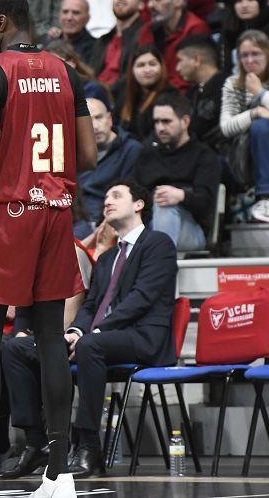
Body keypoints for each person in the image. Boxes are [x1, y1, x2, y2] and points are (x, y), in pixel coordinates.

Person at [0, 0, 96, 498]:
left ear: (2, 21)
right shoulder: (66, 72)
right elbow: (90, 154)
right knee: (51, 338)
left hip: (7, 212)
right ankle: (59, 475)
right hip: (56, 212)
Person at [64, 181, 179, 477]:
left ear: (139, 204)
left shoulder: (159, 244)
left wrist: (94, 333)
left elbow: (141, 299)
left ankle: (88, 445)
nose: (107, 202)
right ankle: (38, 444)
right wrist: (76, 331)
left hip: (143, 337)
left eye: (116, 196)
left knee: (91, 346)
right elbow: (89, 306)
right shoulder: (105, 258)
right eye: (104, 197)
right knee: (21, 349)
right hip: (101, 340)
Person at [220, 30, 269, 223]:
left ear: (268, 54)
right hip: (252, 156)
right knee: (262, 126)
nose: (250, 60)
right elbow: (226, 127)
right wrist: (255, 113)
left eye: (256, 53)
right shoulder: (233, 84)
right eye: (244, 55)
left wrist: (260, 93)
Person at [131, 95, 221, 251]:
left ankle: (160, 265)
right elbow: (135, 194)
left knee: (165, 204)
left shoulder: (204, 156)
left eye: (166, 121)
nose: (160, 128)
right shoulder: (147, 154)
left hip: (192, 230)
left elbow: (207, 202)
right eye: (156, 122)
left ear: (185, 121)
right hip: (151, 225)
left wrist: (181, 196)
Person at [76, 98, 142, 237]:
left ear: (109, 119)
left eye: (99, 117)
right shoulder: (73, 152)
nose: (94, 125)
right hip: (79, 220)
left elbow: (129, 196)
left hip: (112, 221)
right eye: (88, 120)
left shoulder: (131, 149)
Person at [138, 0, 211, 92]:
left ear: (178, 1)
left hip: (183, 95)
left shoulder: (195, 28)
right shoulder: (148, 30)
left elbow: (194, 75)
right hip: (152, 91)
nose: (150, 5)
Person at [176, 36, 227, 152]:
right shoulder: (191, 94)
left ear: (196, 60)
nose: (177, 68)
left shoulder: (229, 87)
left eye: (180, 60)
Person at [96, 0, 145, 98]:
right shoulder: (103, 40)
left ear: (141, 4)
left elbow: (132, 78)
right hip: (95, 97)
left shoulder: (144, 35)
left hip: (123, 99)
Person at [118, 46, 176, 143]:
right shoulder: (125, 96)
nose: (147, 70)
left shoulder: (171, 96)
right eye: (141, 65)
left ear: (162, 67)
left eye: (152, 64)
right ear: (132, 70)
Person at [47, 0, 98, 72]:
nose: (69, 17)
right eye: (65, 12)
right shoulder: (49, 44)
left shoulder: (97, 48)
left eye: (76, 13)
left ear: (87, 18)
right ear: (59, 15)